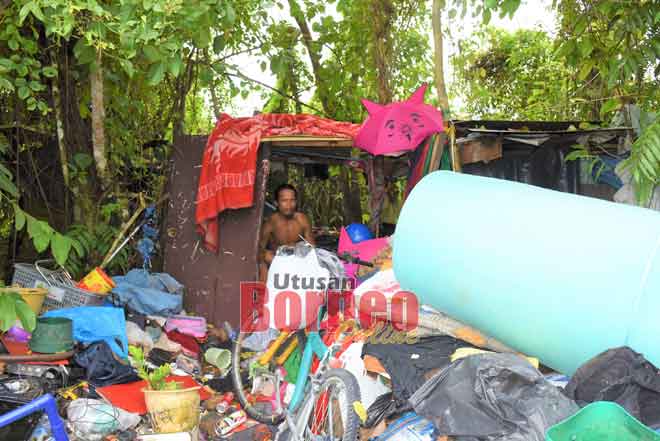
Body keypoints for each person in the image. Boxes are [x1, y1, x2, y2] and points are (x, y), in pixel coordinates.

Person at [259, 184, 315, 281]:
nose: (289, 205)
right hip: (277, 261)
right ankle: (264, 293)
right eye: (284, 201)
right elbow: (260, 249)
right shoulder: (271, 222)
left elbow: (312, 247)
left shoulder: (302, 219)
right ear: (276, 203)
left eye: (292, 200)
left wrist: (300, 255)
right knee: (264, 258)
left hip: (299, 261)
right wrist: (269, 258)